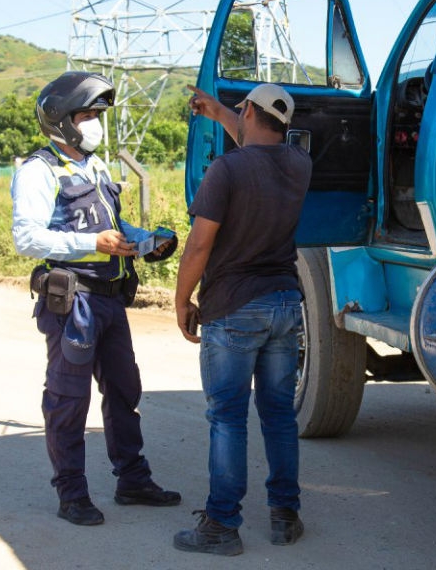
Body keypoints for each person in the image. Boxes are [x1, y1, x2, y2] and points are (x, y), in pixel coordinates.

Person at [11, 70, 181, 527]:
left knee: (124, 391)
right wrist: (91, 246)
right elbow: (26, 237)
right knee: (69, 399)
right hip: (74, 302)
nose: (95, 123)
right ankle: (72, 493)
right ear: (62, 120)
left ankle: (132, 479)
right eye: (87, 114)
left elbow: (116, 228)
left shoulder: (97, 167)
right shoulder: (38, 170)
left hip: (110, 299)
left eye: (97, 115)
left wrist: (148, 241)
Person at [173, 83, 310, 556]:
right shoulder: (298, 164)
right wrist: (217, 112)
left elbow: (199, 244)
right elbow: (258, 145)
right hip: (285, 304)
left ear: (248, 110)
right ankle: (285, 515)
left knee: (228, 417)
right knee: (278, 416)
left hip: (233, 307)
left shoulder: (225, 170)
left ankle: (222, 526)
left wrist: (181, 299)